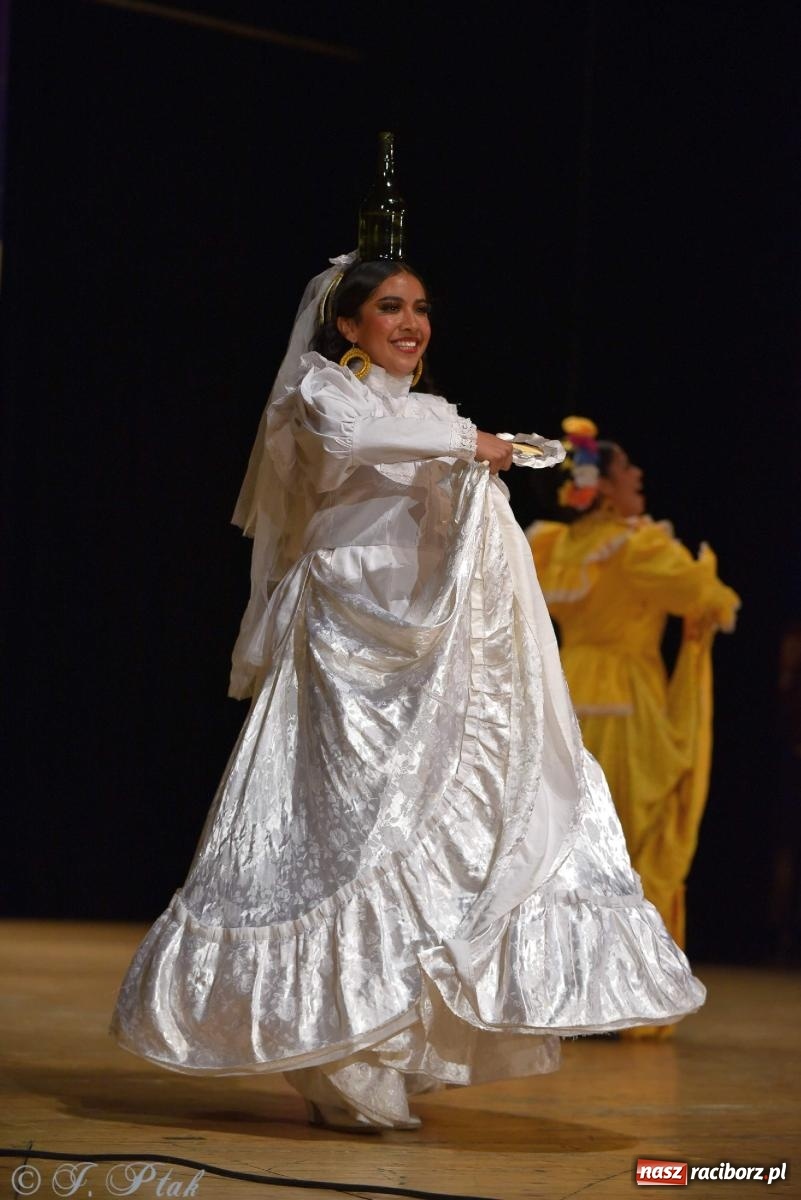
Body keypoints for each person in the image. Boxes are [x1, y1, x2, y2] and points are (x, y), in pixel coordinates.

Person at [112, 260, 706, 1130]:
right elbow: (353, 445)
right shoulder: (320, 392)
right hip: (342, 647)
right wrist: (476, 448)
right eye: (389, 307)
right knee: (338, 839)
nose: (411, 322)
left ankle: (385, 1039)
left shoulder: (431, 413)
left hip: (418, 653)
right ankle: (335, 1051)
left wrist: (481, 466)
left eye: (421, 308)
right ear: (346, 325)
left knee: (421, 831)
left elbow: (438, 495)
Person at [528, 418, 740, 1037]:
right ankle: (625, 994)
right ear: (606, 487)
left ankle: (561, 991)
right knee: (629, 840)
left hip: (564, 699)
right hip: (625, 702)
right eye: (628, 471)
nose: (639, 478)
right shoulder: (637, 545)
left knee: (566, 844)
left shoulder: (557, 547)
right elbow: (707, 597)